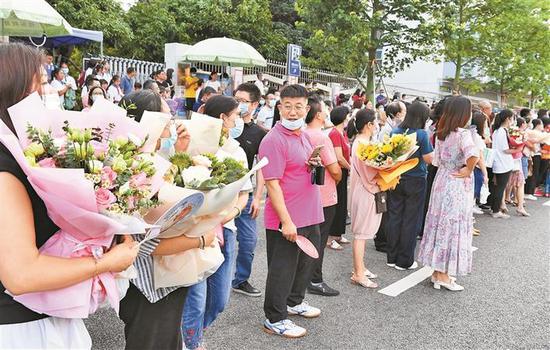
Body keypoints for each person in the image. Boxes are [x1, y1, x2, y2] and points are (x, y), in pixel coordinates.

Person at [0, 42, 138, 349]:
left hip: (44, 318)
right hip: (21, 330)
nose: (49, 97)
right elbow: (20, 274)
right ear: (14, 91)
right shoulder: (4, 168)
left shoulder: (23, 153)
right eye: (41, 87)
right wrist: (106, 263)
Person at [116, 90, 214, 350]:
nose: (173, 122)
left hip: (165, 279)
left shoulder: (146, 161)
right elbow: (147, 246)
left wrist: (180, 153)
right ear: (150, 121)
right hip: (151, 285)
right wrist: (201, 239)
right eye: (167, 117)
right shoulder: (136, 170)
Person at [182, 95, 249, 350]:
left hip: (225, 230)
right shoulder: (192, 144)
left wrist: (229, 213)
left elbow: (244, 194)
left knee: (219, 299)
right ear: (223, 118)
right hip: (194, 231)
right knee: (195, 299)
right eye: (235, 117)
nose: (238, 122)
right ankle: (190, 342)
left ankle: (193, 333)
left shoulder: (237, 151)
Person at [258, 84, 323, 338]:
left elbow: (299, 167)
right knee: (282, 268)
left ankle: (294, 302)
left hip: (310, 212)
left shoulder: (304, 136)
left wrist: (312, 163)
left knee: (305, 263)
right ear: (279, 107)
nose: (293, 112)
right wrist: (286, 221)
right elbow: (272, 185)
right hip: (286, 218)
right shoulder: (273, 140)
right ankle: (275, 317)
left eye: (298, 107)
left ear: (307, 109)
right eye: (288, 106)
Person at [418, 96, 479, 291]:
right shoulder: (463, 134)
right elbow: (474, 155)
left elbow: (435, 161)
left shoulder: (441, 133)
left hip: (441, 181)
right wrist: (468, 170)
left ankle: (437, 272)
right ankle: (443, 276)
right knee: (452, 226)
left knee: (439, 224)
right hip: (456, 183)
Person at [386, 102, 434, 271]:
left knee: (395, 216)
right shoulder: (421, 134)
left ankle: (391, 256)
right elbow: (429, 159)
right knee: (411, 219)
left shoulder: (395, 131)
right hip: (416, 179)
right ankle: (404, 260)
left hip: (396, 178)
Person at [304, 96, 342, 297]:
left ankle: (303, 278)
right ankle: (315, 279)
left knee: (306, 239)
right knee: (318, 240)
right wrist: (338, 178)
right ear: (318, 114)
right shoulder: (321, 137)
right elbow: (335, 170)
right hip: (324, 196)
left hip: (305, 195)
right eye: (325, 108)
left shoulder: (301, 133)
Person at [232, 83, 267, 297]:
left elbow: (262, 167)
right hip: (221, 192)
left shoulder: (259, 133)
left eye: (243, 101)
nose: (239, 104)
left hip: (246, 193)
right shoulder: (224, 124)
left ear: (254, 104)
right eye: (236, 99)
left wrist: (258, 197)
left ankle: (240, 279)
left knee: (248, 240)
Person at [348, 109, 383, 288]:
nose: (377, 125)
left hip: (362, 190)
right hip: (366, 191)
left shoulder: (360, 142)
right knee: (361, 234)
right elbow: (370, 174)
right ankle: (358, 273)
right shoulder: (364, 145)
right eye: (375, 122)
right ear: (369, 125)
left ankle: (360, 267)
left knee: (362, 233)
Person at [327, 106, 352, 249]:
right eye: (347, 116)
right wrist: (351, 167)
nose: (348, 119)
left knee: (342, 204)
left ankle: (337, 234)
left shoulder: (342, 133)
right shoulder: (335, 134)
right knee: (336, 204)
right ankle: (330, 238)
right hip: (338, 172)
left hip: (343, 172)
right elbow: (338, 157)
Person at [491, 110, 518, 218]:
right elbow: (505, 150)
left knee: (498, 187)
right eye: (512, 118)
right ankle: (496, 211)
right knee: (500, 188)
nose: (513, 121)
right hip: (503, 163)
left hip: (499, 162)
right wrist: (518, 150)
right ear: (507, 119)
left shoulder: (497, 131)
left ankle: (495, 208)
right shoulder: (502, 131)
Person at [504, 116, 530, 216]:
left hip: (512, 159)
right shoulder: (511, 131)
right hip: (514, 159)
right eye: (512, 119)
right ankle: (519, 206)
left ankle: (503, 204)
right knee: (519, 183)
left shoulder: (507, 131)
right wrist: (519, 146)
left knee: (506, 182)